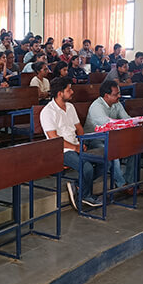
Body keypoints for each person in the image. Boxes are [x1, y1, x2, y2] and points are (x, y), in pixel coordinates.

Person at [40, 77, 103, 209]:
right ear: (60, 93)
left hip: (75, 145)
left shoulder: (70, 107)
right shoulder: (48, 111)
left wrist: (82, 141)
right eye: (69, 90)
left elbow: (79, 127)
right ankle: (85, 196)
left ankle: (79, 185)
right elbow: (53, 138)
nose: (72, 92)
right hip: (60, 150)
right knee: (87, 167)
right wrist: (75, 147)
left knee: (105, 162)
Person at [84, 80, 143, 188]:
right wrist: (139, 120)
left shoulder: (116, 103)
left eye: (119, 93)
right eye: (116, 94)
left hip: (113, 137)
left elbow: (126, 119)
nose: (120, 96)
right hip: (95, 139)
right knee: (112, 152)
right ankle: (122, 185)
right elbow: (109, 124)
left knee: (134, 149)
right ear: (106, 95)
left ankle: (130, 182)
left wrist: (141, 121)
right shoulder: (96, 106)